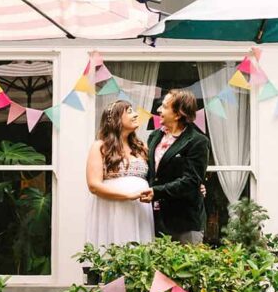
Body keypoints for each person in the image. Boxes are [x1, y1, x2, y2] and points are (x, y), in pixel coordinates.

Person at [140, 88, 210, 244]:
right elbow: (151, 173)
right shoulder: (155, 136)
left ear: (178, 114)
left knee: (187, 268)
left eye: (164, 106)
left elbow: (191, 181)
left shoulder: (197, 141)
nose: (159, 110)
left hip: (184, 222)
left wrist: (156, 192)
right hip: (155, 220)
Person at [84, 100, 155, 247]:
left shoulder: (142, 148)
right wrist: (128, 195)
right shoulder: (100, 147)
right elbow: (94, 185)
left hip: (140, 210)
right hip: (111, 209)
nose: (136, 115)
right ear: (116, 119)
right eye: (129, 111)